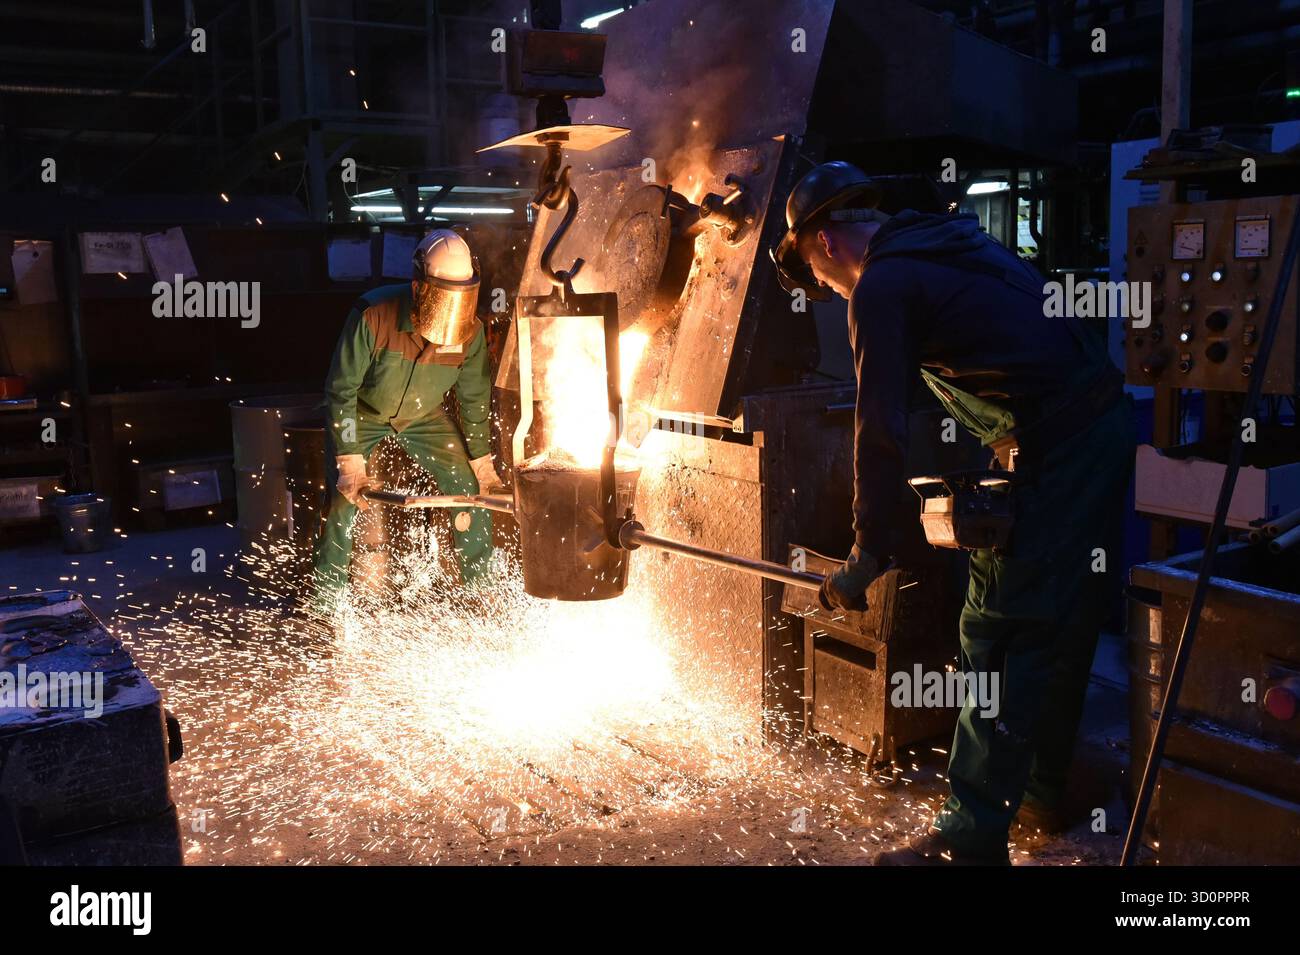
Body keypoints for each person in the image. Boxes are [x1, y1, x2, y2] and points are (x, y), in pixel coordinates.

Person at [772, 162, 1133, 865]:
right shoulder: (941, 239)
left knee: (997, 623)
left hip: (1060, 447)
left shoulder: (879, 284)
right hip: (1100, 427)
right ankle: (1040, 794)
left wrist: (867, 551)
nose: (824, 290)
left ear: (825, 244)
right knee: (1061, 616)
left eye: (818, 279)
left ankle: (969, 836)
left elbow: (877, 429)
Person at [311, 229, 498, 613]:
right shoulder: (372, 315)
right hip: (363, 413)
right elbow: (341, 390)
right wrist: (349, 458)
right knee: (345, 501)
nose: (450, 312)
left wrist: (482, 460)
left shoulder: (471, 332)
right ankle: (325, 605)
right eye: (442, 298)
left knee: (470, 486)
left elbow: (474, 398)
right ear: (418, 288)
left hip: (423, 416)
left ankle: (481, 587)